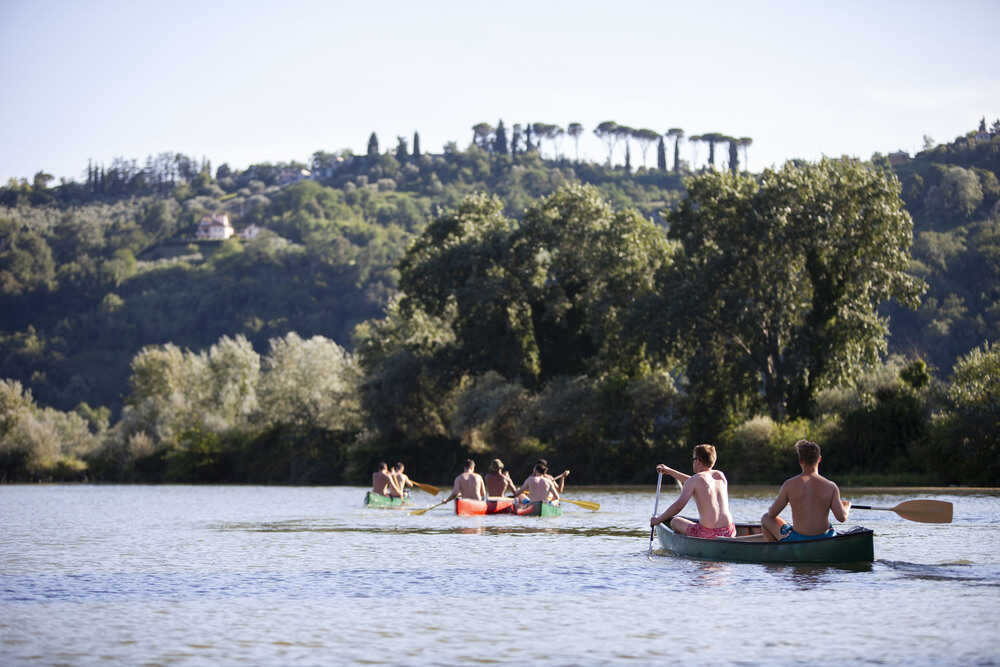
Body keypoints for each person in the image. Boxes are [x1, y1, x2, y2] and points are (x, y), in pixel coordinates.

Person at [760, 439, 850, 542]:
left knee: (765, 518)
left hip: (797, 539)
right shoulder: (831, 486)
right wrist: (846, 507)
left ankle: (775, 553)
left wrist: (789, 500)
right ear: (819, 459)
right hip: (825, 538)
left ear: (800, 461)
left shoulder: (789, 485)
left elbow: (772, 514)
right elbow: (842, 518)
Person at [649, 444, 736, 539]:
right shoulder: (720, 476)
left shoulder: (695, 480)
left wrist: (658, 520)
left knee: (675, 522)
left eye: (693, 459)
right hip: (729, 531)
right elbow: (697, 482)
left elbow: (678, 506)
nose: (693, 462)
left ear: (698, 461)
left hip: (708, 534)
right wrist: (669, 471)